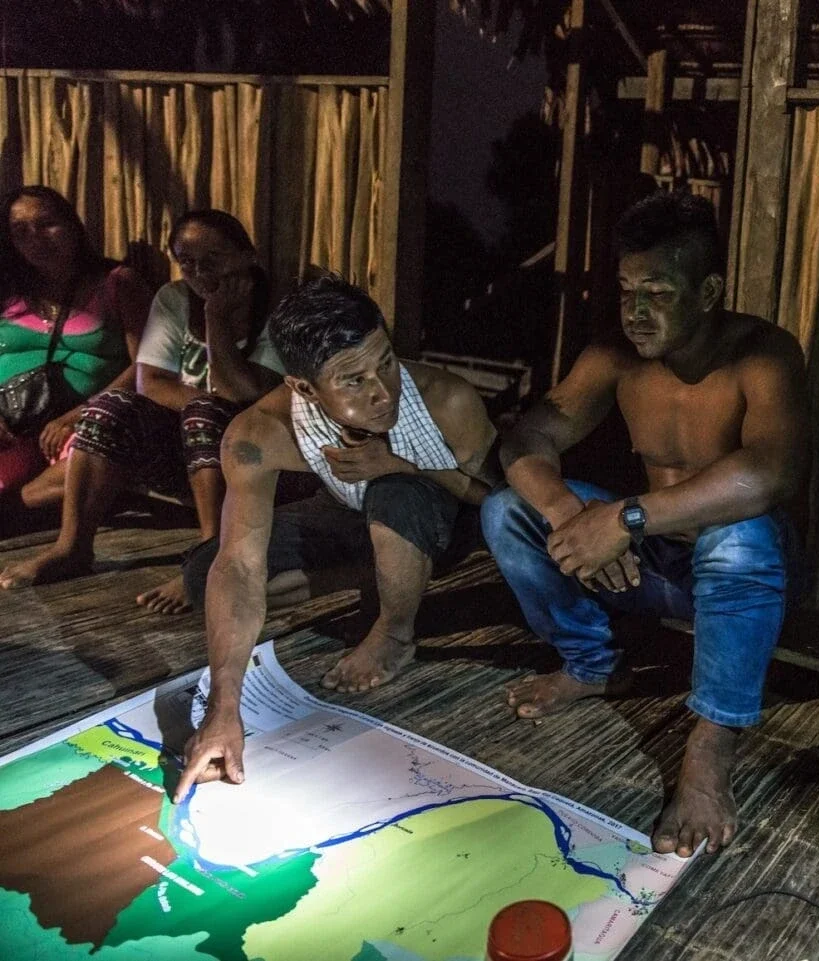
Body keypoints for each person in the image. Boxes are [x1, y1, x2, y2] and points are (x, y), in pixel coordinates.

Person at [479, 191, 807, 859]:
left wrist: (626, 517)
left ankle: (711, 742)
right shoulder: (614, 355)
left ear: (709, 289)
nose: (635, 309)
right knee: (508, 509)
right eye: (628, 289)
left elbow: (770, 473)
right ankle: (591, 662)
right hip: (650, 559)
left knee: (739, 531)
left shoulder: (763, 354)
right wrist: (570, 511)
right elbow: (526, 438)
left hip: (748, 579)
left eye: (657, 290)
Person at [172, 275, 498, 799]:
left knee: (395, 494)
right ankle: (386, 573)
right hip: (352, 513)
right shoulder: (260, 433)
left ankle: (395, 631)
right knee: (202, 572)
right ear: (302, 387)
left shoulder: (447, 398)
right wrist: (223, 710)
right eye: (353, 381)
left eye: (386, 362)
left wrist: (400, 465)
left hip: (450, 517)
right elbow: (238, 567)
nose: (382, 390)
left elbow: (500, 502)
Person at [0, 210, 285, 613]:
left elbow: (246, 392)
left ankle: (211, 561)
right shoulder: (174, 298)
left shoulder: (278, 308)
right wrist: (201, 402)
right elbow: (149, 383)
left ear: (247, 256)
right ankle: (73, 547)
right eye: (188, 262)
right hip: (192, 449)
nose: (200, 272)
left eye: (214, 259)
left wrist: (216, 322)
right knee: (108, 406)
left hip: (258, 456)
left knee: (204, 412)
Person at [0, 186, 150, 508]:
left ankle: (15, 506)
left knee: (91, 456)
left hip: (78, 420)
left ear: (72, 225)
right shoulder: (9, 290)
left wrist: (79, 413)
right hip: (10, 422)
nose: (36, 238)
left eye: (47, 224)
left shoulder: (117, 283)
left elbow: (146, 365)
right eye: (21, 231)